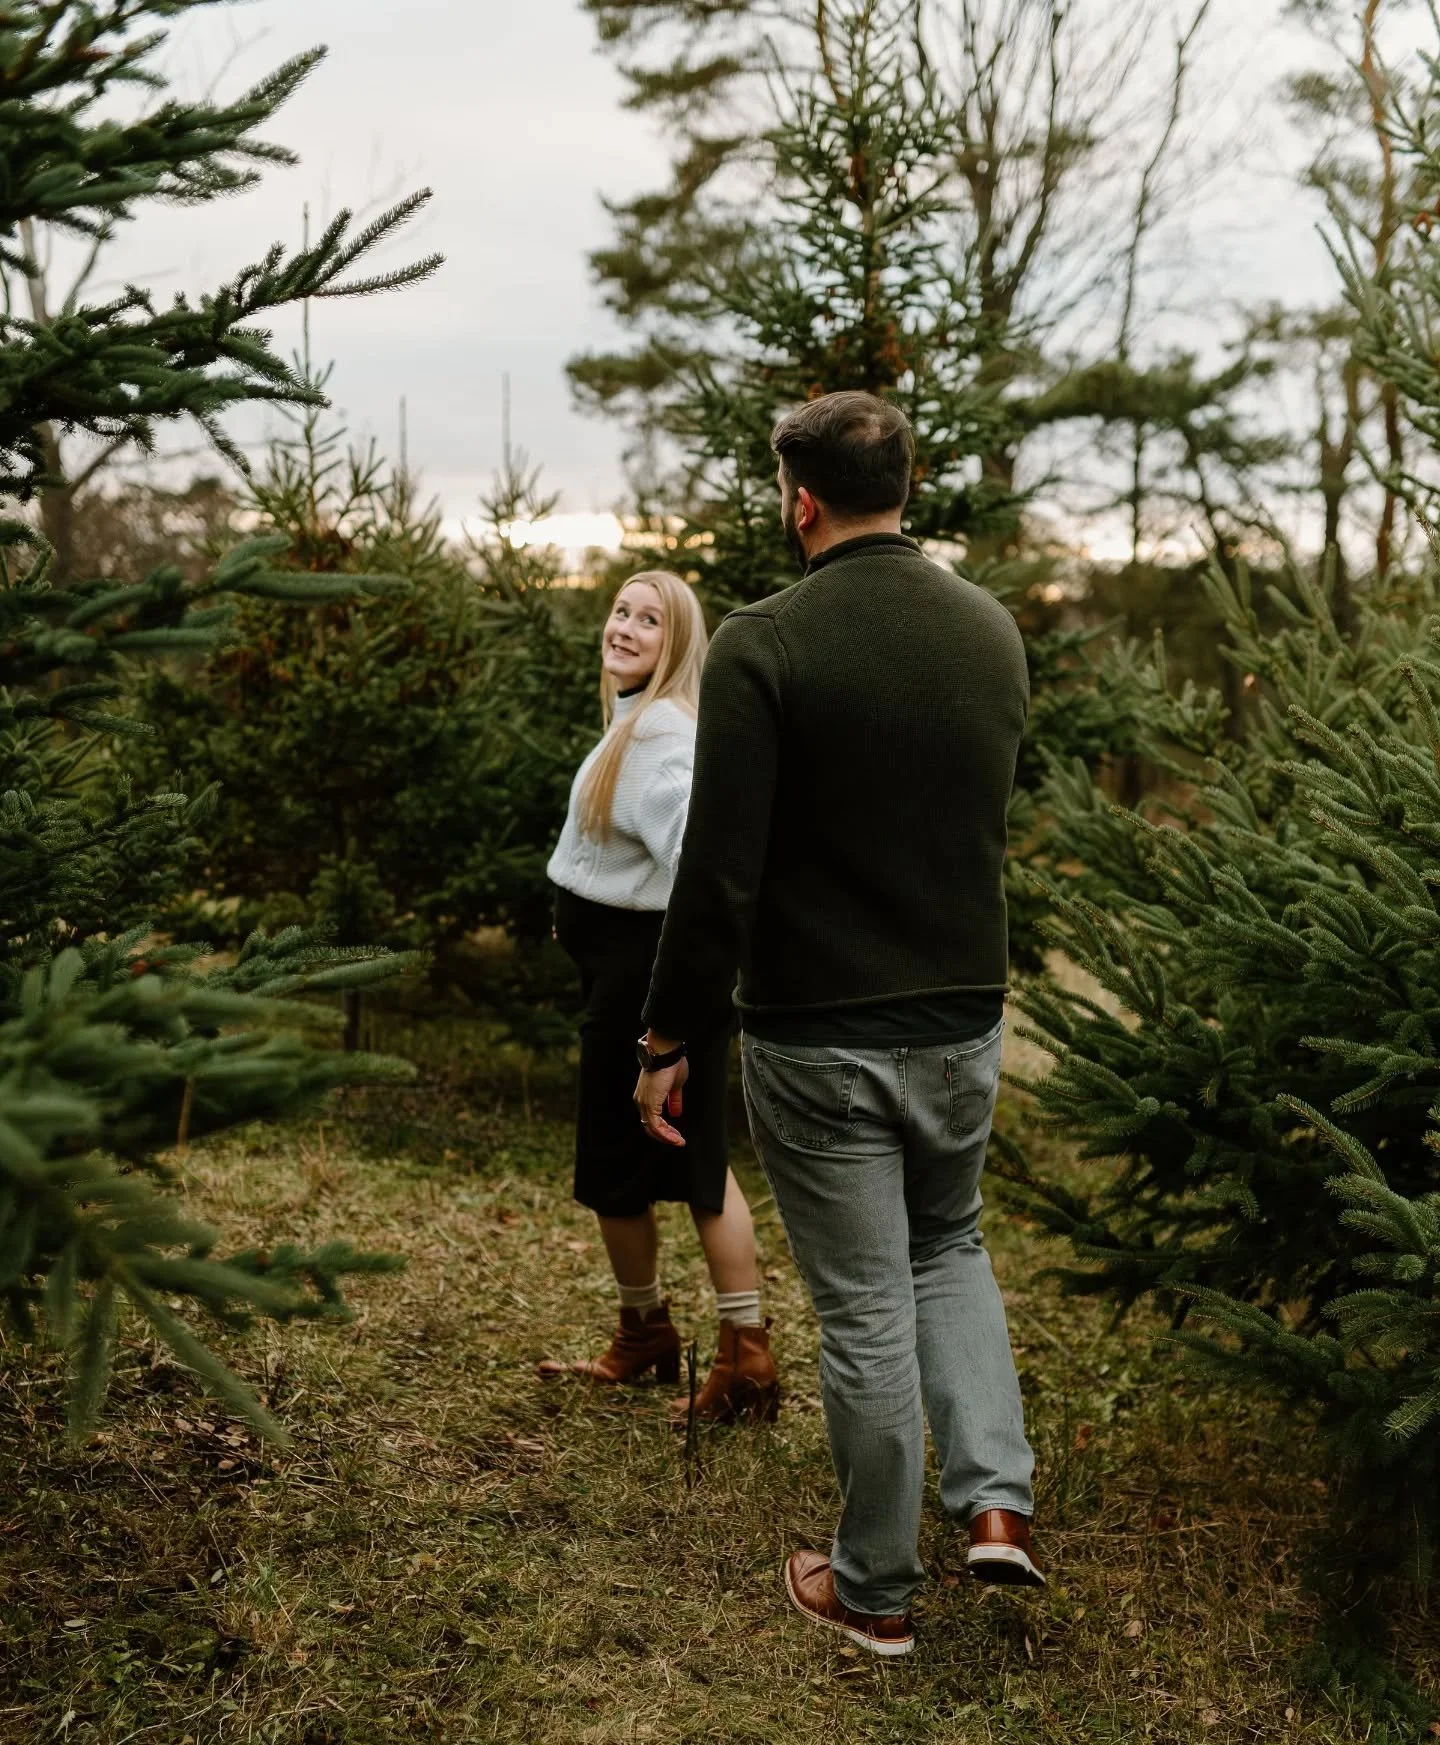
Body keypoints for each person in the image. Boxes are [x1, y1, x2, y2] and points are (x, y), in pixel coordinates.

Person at [631, 393, 1041, 1659]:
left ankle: (872, 1586)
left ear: (799, 498)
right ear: (903, 485)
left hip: (821, 1030)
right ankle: (995, 1507)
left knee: (866, 1300)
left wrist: (666, 1035)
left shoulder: (768, 642)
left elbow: (721, 868)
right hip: (967, 1012)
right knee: (950, 1242)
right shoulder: (991, 630)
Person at [537, 570, 779, 1425]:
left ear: (677, 644)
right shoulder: (636, 720)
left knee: (669, 1164)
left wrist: (662, 1006)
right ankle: (652, 1331)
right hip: (630, 975)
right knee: (659, 1160)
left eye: (650, 620)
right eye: (621, 611)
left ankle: (739, 1352)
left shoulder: (662, 737)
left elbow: (701, 871)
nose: (626, 628)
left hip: (650, 986)